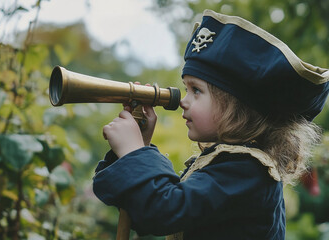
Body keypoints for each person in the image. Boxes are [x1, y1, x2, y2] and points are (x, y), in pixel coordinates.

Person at [93, 9, 329, 239]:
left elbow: (164, 212)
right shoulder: (231, 165)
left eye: (196, 90)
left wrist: (136, 152)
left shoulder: (247, 170)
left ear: (235, 108)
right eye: (186, 89)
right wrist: (133, 151)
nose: (184, 101)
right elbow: (139, 210)